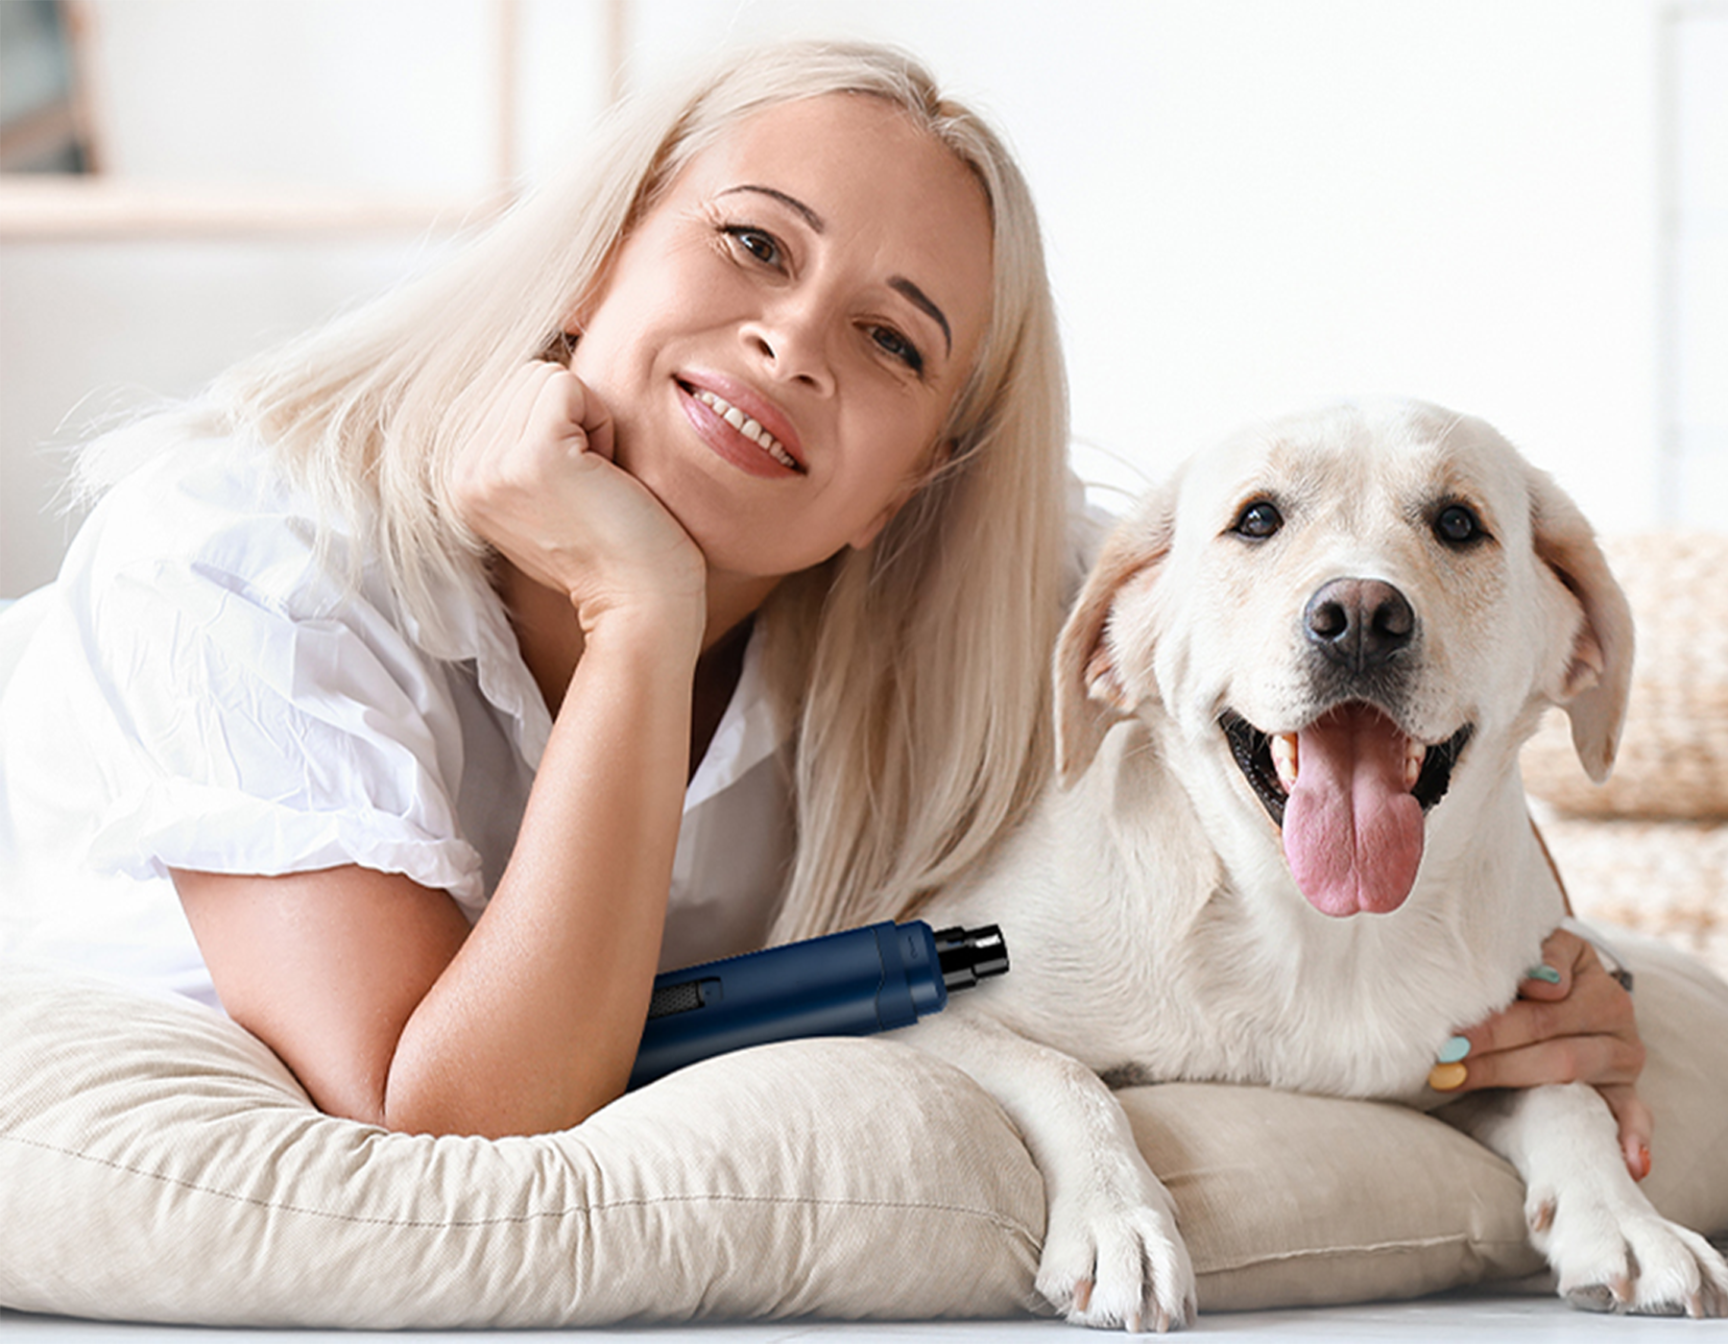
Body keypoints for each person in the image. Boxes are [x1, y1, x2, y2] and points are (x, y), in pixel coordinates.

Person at [0, 39, 1646, 1159]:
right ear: (599, 258)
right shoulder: (238, 558)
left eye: (894, 340)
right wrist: (643, 615)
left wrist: (1546, 987)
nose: (795, 342)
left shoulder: (1018, 595)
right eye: (752, 245)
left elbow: (1379, 688)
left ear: (912, 485)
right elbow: (447, 1123)